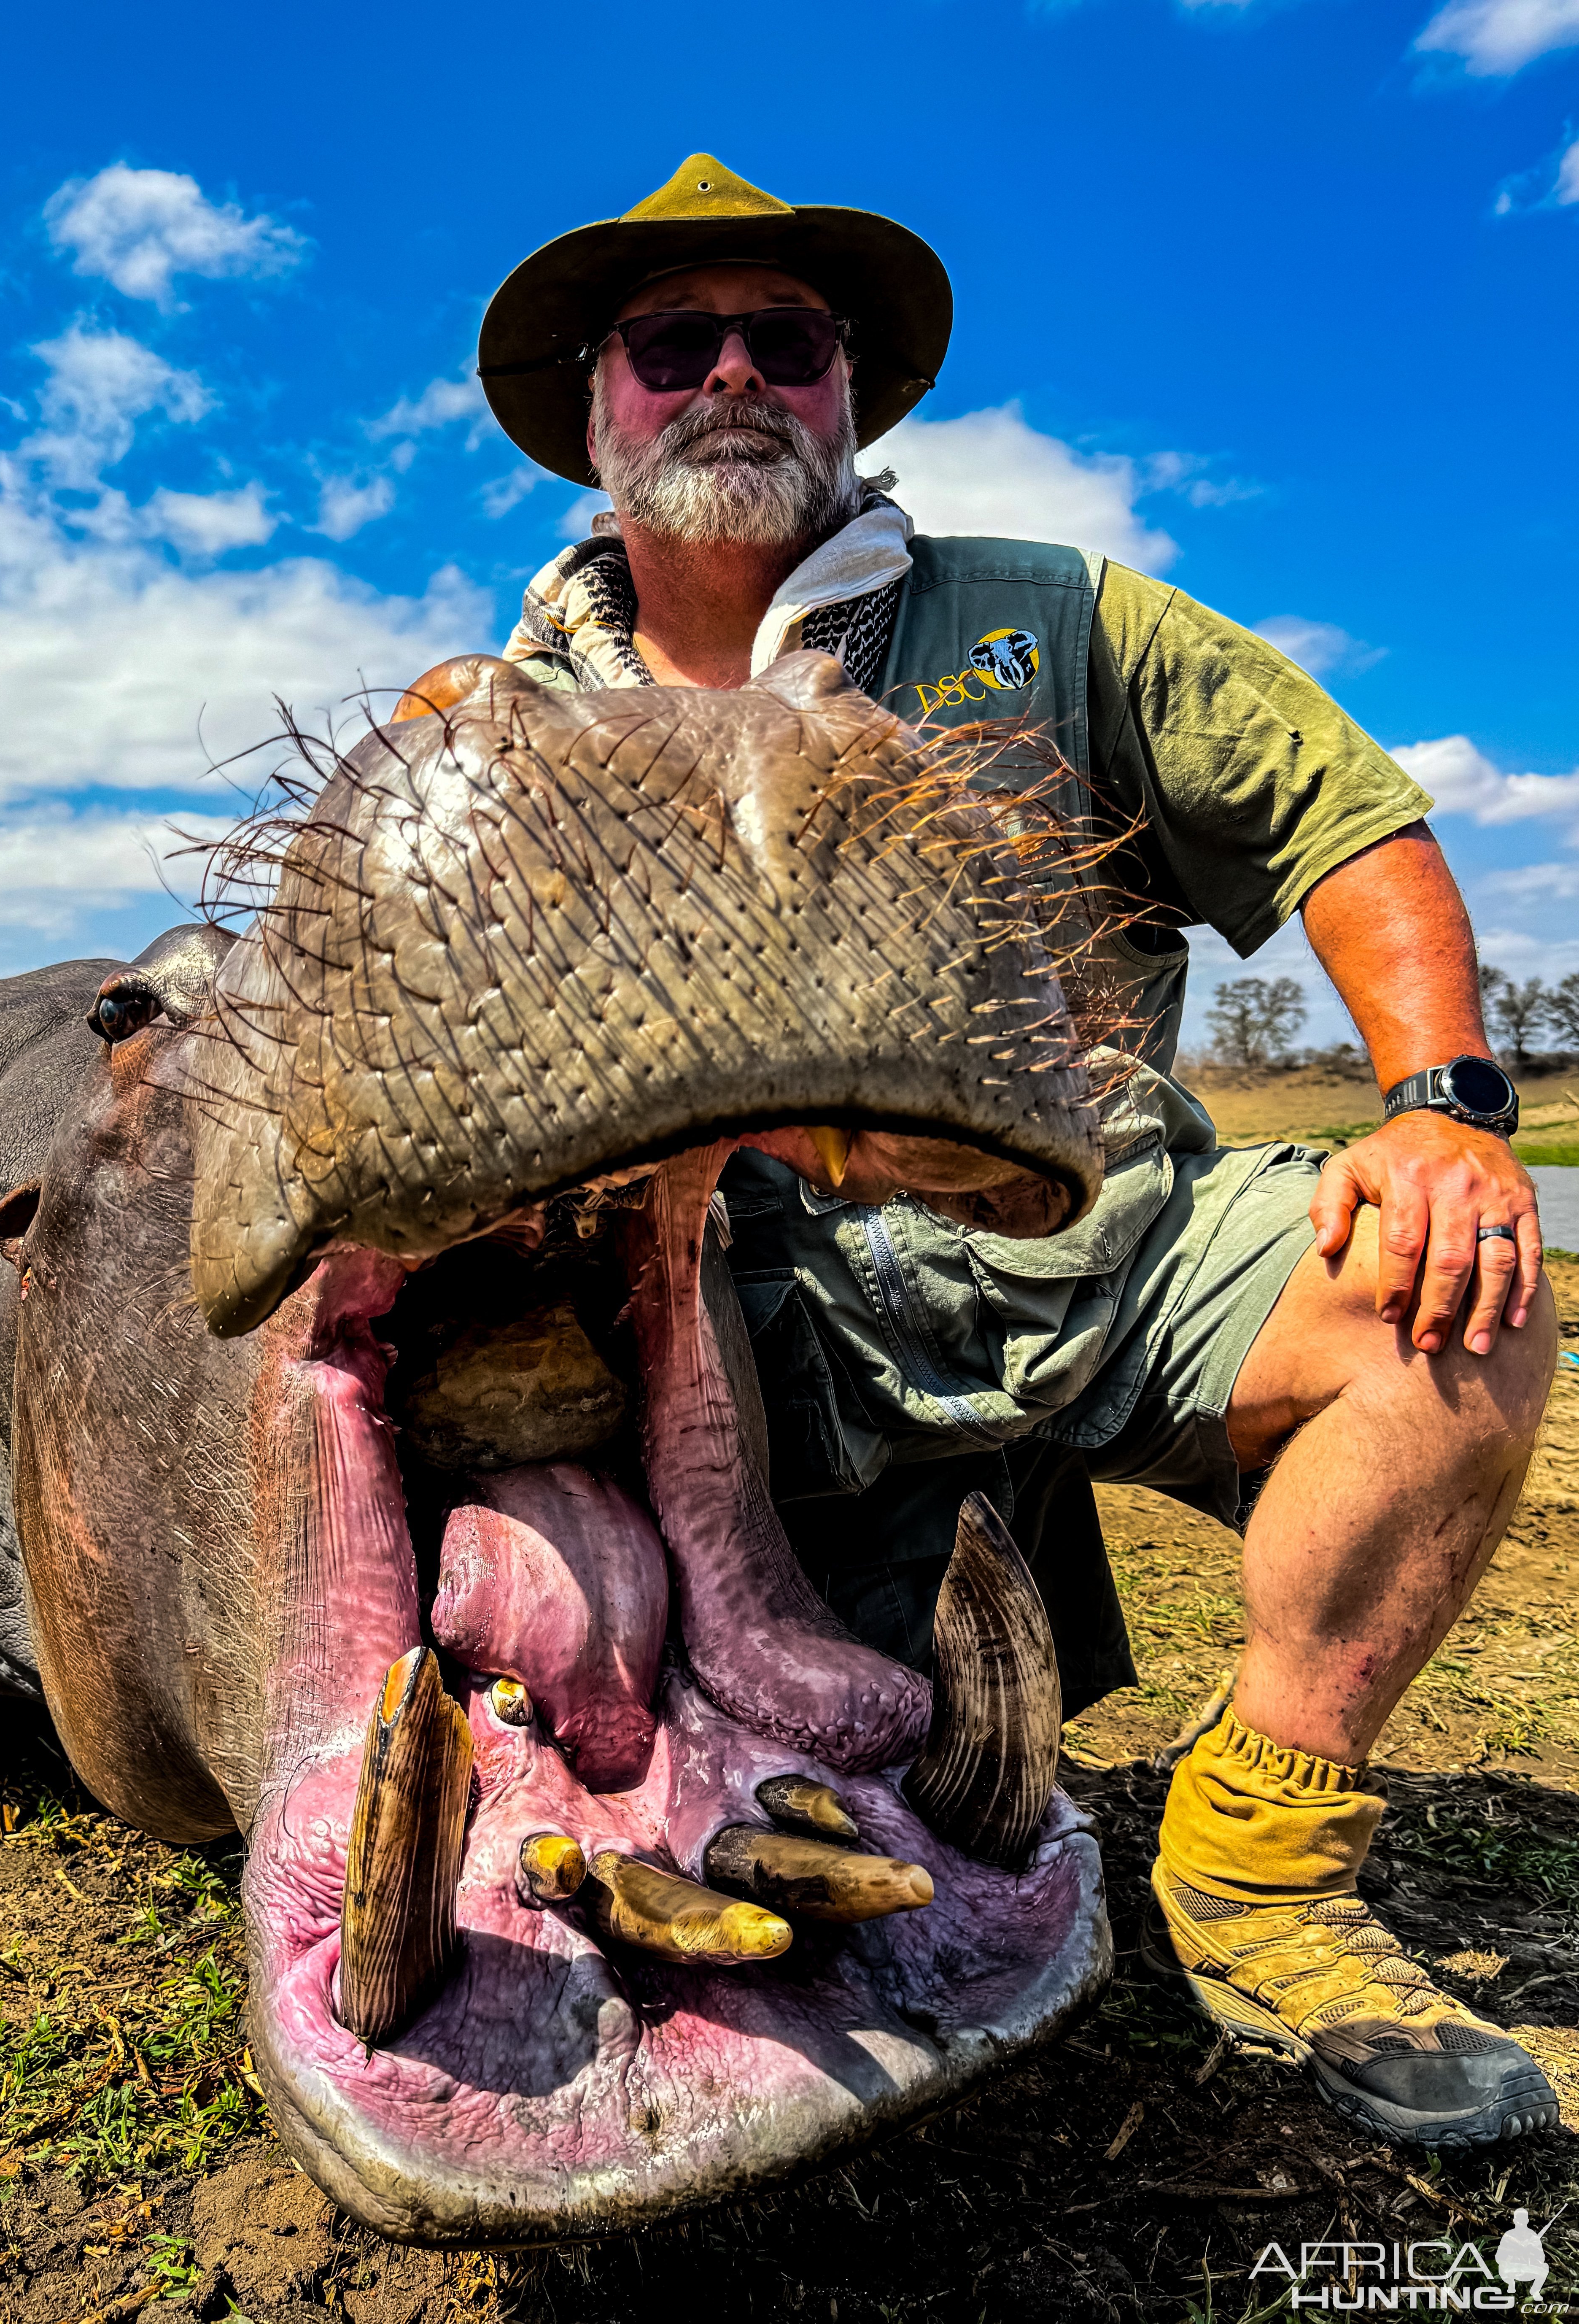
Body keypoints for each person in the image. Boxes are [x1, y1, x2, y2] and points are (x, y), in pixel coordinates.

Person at [401, 154, 1559, 2149]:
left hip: (1089, 1247)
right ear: (601, 410)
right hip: (724, 1359)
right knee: (831, 1778)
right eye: (679, 345)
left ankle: (1263, 1868)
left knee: (1443, 1305)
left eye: (792, 340)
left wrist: (1442, 1105)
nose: (738, 375)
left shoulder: (1052, 620)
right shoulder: (500, 720)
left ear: (857, 391)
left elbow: (1339, 815)